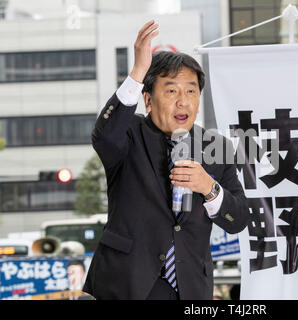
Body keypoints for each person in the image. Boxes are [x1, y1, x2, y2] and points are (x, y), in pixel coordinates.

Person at [82, 20, 249, 300]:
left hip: (189, 287)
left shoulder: (215, 146)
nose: (183, 101)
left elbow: (238, 219)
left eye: (191, 91)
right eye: (171, 91)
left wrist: (209, 188)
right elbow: (104, 136)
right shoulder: (129, 133)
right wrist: (137, 72)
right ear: (147, 101)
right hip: (126, 284)